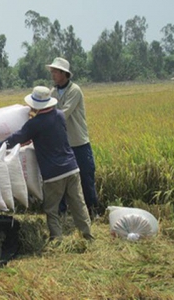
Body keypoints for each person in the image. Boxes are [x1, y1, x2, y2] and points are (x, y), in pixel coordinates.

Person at [0, 86, 93, 243]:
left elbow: (17, 137)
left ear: (35, 105)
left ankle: (57, 240)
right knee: (78, 204)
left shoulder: (35, 124)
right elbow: (51, 135)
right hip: (72, 168)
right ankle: (88, 236)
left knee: (51, 209)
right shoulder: (60, 115)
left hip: (54, 174)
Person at [46, 57, 99, 220]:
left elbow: (63, 114)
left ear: (64, 74)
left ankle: (93, 211)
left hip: (79, 143)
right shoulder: (53, 92)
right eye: (52, 71)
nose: (53, 74)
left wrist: (42, 118)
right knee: (60, 179)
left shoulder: (74, 90)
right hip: (63, 144)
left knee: (86, 177)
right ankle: (62, 213)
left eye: (55, 71)